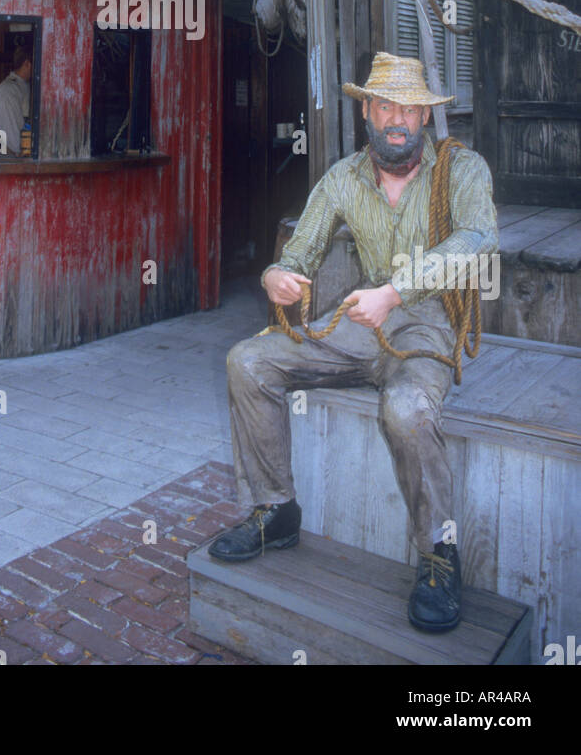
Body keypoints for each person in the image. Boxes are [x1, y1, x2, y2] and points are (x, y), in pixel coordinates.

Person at [208, 52, 499, 633]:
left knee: (408, 408)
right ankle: (276, 510)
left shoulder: (460, 170)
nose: (398, 119)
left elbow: (480, 240)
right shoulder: (342, 177)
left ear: (424, 117)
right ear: (367, 110)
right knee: (249, 361)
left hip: (427, 323)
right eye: (386, 105)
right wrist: (276, 277)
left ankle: (439, 554)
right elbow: (298, 252)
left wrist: (396, 290)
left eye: (410, 109)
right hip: (361, 325)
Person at [0, 44, 32, 155]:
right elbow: (11, 134)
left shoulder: (24, 87)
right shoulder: (8, 91)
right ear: (27, 64)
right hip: (12, 158)